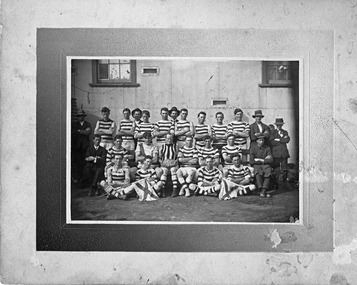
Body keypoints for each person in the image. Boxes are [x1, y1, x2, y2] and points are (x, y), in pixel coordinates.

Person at [71, 109, 91, 183]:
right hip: (77, 146)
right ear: (78, 117)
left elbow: (88, 132)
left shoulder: (87, 124)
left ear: (84, 117)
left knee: (84, 162)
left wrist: (80, 131)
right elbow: (74, 133)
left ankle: (84, 177)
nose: (81, 117)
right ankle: (77, 177)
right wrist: (83, 131)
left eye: (82, 116)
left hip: (85, 146)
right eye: (79, 116)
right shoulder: (75, 125)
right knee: (77, 162)